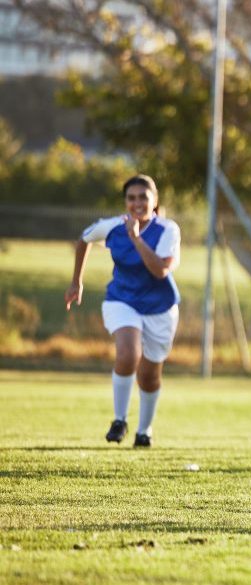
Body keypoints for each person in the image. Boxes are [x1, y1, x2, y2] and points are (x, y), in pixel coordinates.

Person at [66, 174, 181, 448]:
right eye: (132, 198)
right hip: (122, 300)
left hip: (159, 308)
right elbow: (84, 240)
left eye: (143, 197)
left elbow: (159, 270)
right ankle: (119, 420)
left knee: (150, 375)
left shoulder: (168, 230)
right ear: (125, 202)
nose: (137, 202)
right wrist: (76, 281)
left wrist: (136, 238)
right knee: (128, 353)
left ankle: (144, 431)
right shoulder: (112, 227)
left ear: (155, 202)